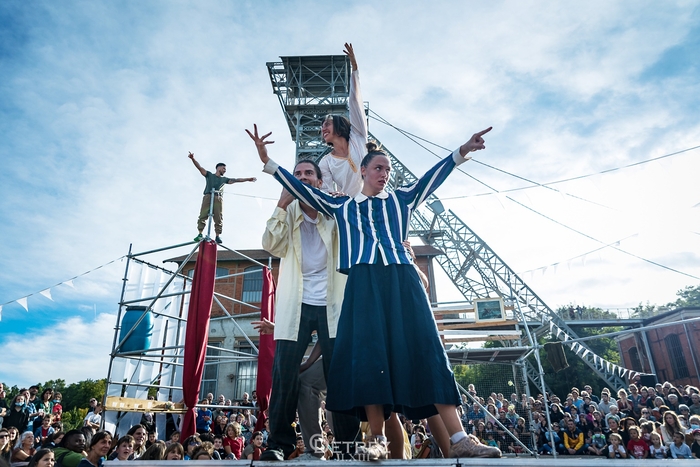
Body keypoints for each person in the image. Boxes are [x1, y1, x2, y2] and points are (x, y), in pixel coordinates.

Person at [247, 123, 499, 460]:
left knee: (428, 348)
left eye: (388, 169)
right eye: (378, 168)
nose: (384, 174)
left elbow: (431, 177)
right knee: (369, 358)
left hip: (402, 280)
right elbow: (302, 189)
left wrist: (461, 151)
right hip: (364, 284)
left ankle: (459, 437)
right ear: (362, 170)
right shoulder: (343, 208)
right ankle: (376, 440)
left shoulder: (402, 200)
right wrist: (269, 162)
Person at [256, 156, 359, 462]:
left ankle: (346, 446)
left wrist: (342, 207)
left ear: (319, 180)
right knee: (284, 374)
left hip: (332, 304)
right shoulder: (287, 214)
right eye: (297, 173)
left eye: (308, 173)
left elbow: (354, 239)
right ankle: (280, 442)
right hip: (295, 304)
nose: (303, 177)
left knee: (339, 376)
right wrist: (280, 203)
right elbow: (270, 246)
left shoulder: (333, 211)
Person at [318, 43, 367, 197]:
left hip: (375, 201)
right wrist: (337, 197)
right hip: (352, 209)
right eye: (321, 126)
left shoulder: (358, 135)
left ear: (339, 124)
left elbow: (354, 103)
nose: (323, 128)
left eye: (327, 124)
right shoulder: (325, 162)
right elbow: (325, 191)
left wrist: (354, 69)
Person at [188, 151, 256, 244]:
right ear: (218, 168)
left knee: (218, 217)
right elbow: (199, 168)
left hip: (218, 198)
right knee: (203, 214)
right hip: (208, 196)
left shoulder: (224, 179)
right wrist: (193, 159)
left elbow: (236, 180)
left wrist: (248, 179)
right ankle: (200, 233)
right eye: (223, 168)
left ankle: (217, 236)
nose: (225, 170)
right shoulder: (209, 175)